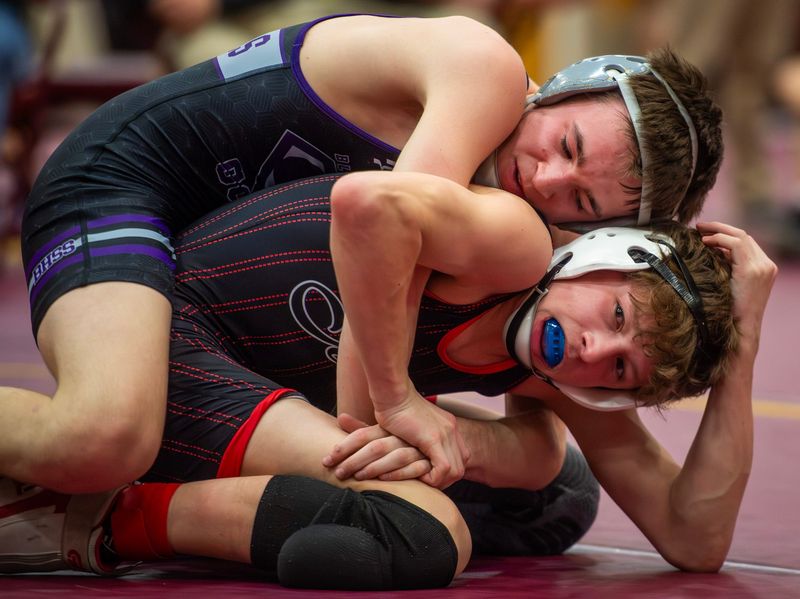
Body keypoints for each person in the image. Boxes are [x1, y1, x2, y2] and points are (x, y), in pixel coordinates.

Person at [8, 13, 723, 493]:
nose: (547, 179)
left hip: (199, 249)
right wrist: (395, 408)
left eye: (586, 202)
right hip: (121, 181)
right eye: (566, 145)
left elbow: (689, 536)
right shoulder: (485, 71)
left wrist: (735, 335)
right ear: (567, 84)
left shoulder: (539, 230)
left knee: (545, 483)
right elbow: (377, 235)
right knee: (104, 435)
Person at [2, 170, 774, 584]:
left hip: (261, 387)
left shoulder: (553, 354)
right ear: (596, 254)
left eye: (618, 369)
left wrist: (739, 354)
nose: (587, 349)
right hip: (180, 336)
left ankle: (169, 499)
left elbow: (694, 537)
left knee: (559, 495)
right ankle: (100, 516)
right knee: (425, 531)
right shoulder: (504, 237)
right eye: (611, 313)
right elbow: (366, 202)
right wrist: (401, 408)